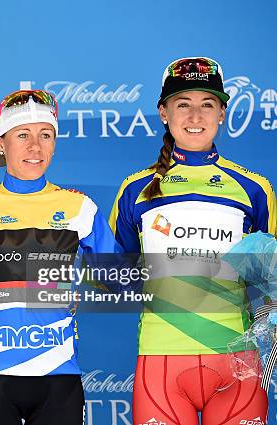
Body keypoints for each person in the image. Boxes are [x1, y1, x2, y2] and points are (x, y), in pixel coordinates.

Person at [0, 89, 120, 425]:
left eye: (45, 135)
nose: (35, 147)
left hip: (58, 378)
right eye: (23, 135)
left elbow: (119, 283)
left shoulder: (80, 208)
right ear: (1, 143)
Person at [109, 56, 276, 425]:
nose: (195, 117)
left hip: (238, 362)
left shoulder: (256, 189)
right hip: (160, 361)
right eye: (183, 105)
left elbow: (270, 281)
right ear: (164, 113)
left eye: (207, 105)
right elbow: (116, 275)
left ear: (222, 113)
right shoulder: (135, 189)